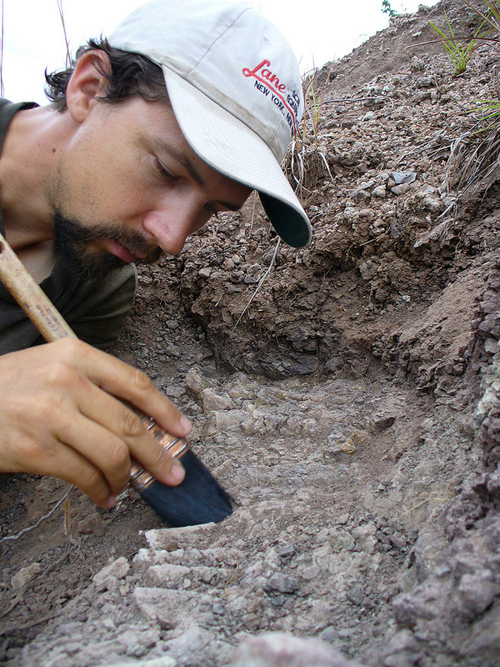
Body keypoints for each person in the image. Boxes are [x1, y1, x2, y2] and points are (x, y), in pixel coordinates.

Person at [0, 0, 311, 511]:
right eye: (167, 171)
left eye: (211, 208)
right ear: (90, 89)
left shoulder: (99, 285)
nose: (172, 239)